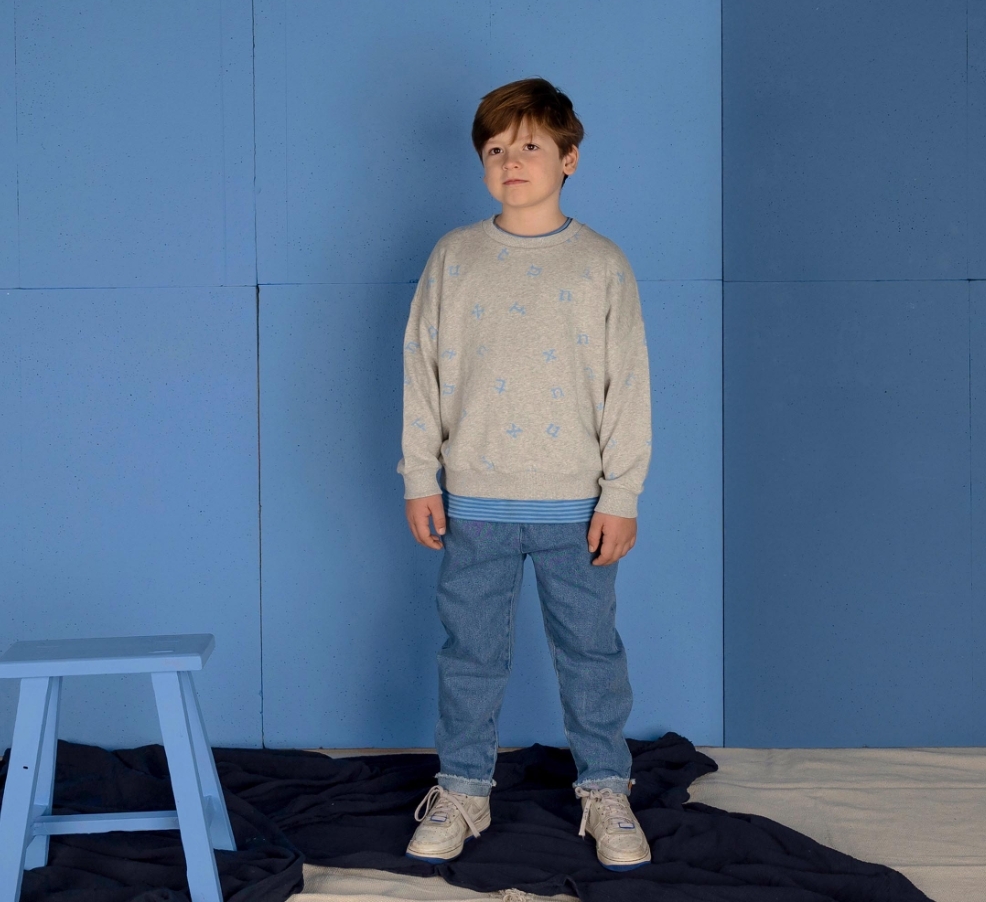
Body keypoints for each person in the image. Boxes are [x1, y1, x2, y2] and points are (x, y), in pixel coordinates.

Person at [397, 77, 652, 871]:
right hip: (474, 500)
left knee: (592, 655)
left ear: (569, 158)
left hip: (577, 504)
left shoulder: (602, 264)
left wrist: (622, 494)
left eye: (531, 145)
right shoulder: (454, 257)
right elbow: (420, 371)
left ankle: (605, 788)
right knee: (469, 654)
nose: (512, 160)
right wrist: (419, 476)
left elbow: (628, 385)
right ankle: (463, 788)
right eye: (496, 148)